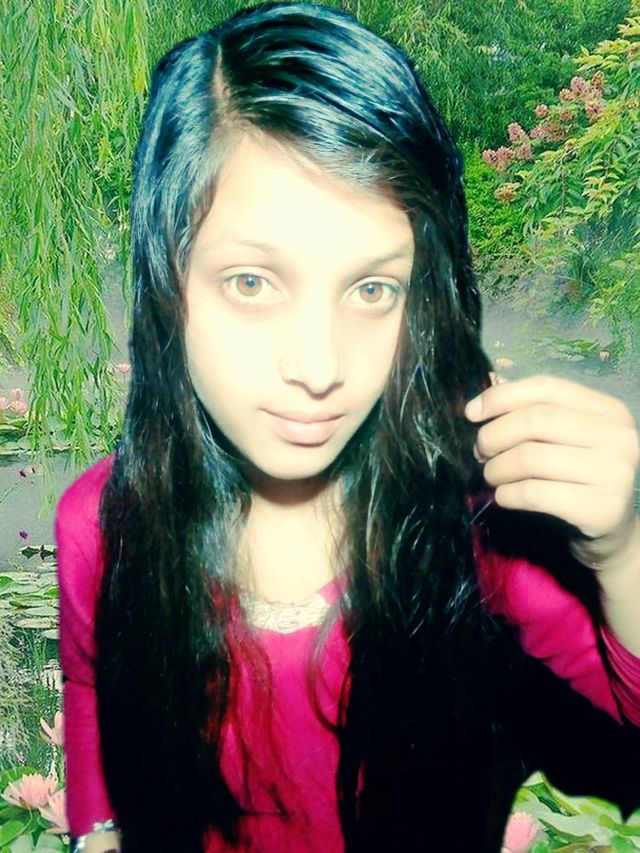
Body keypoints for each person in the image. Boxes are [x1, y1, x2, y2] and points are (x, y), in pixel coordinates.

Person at [54, 3, 640, 851]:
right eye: (253, 282)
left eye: (372, 289)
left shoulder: (472, 527)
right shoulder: (97, 525)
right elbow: (87, 683)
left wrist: (620, 550)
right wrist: (98, 828)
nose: (321, 365)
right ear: (168, 279)